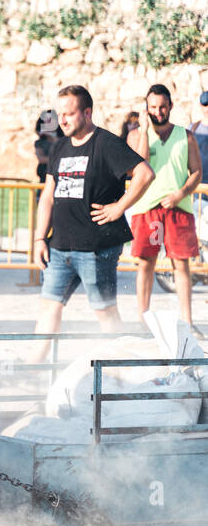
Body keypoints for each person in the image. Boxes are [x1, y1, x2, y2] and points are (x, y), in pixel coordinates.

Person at [29, 84, 153, 359]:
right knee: (49, 308)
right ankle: (32, 366)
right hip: (59, 247)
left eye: (69, 113)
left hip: (96, 248)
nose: (62, 120)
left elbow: (144, 173)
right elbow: (48, 196)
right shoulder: (60, 146)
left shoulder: (106, 143)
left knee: (105, 313)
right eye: (60, 114)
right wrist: (39, 238)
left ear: (87, 113)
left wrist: (119, 207)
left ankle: (120, 367)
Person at [127, 84, 201, 324]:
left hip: (178, 207)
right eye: (153, 107)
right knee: (146, 263)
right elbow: (139, 165)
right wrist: (145, 129)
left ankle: (187, 321)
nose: (158, 112)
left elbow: (196, 172)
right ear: (146, 109)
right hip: (146, 206)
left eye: (162, 107)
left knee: (181, 263)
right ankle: (142, 319)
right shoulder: (137, 135)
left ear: (170, 106)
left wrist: (180, 194)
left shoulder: (186, 136)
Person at [33, 109, 59, 182]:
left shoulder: (65, 138)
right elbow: (41, 159)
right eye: (45, 120)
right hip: (44, 178)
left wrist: (52, 136)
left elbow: (63, 148)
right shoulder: (40, 142)